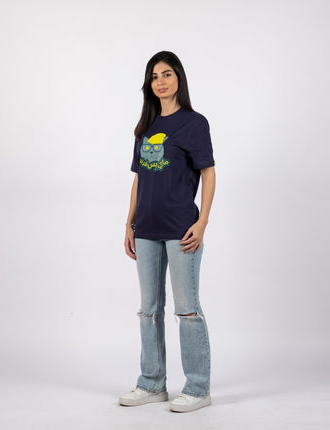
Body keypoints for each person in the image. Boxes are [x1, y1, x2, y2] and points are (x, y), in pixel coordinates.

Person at [118, 51, 216, 413]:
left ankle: (198, 388)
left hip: (181, 229)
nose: (160, 81)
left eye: (167, 74)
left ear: (179, 78)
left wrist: (202, 222)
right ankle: (152, 383)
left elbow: (208, 172)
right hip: (146, 229)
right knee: (148, 310)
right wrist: (129, 223)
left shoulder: (194, 123)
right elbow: (139, 179)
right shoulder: (145, 127)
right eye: (154, 76)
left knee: (187, 310)